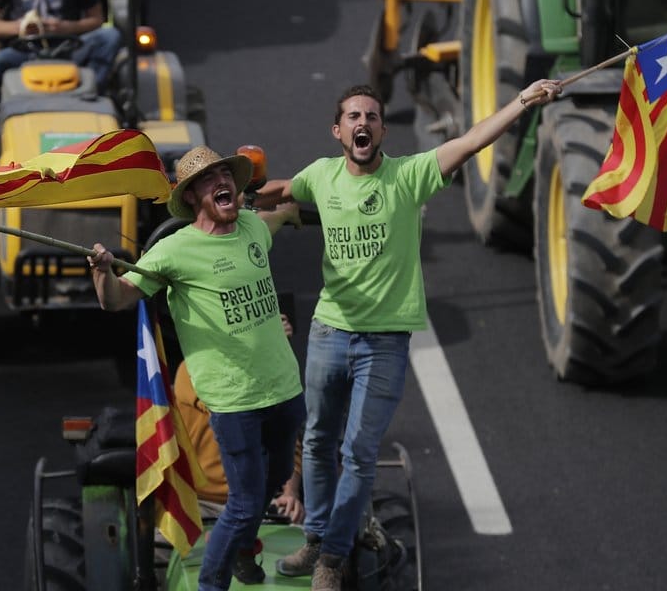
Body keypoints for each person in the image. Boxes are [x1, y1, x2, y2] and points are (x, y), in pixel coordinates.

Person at [255, 78, 562, 590]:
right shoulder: (321, 177)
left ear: (382, 129)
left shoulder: (409, 176)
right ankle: (316, 535)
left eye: (372, 117)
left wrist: (522, 101)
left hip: (385, 343)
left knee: (357, 452)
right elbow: (282, 190)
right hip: (330, 333)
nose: (362, 124)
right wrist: (222, 196)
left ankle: (331, 557)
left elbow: (469, 142)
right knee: (316, 441)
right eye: (353, 117)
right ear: (338, 130)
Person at [89, 145, 305, 591]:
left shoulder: (252, 227)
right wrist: (102, 272)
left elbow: (281, 213)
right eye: (209, 179)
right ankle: (212, 584)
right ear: (191, 197)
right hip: (234, 401)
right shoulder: (173, 252)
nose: (222, 181)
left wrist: (303, 207)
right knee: (245, 506)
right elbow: (116, 300)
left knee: (278, 477)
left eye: (226, 173)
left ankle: (244, 549)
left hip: (284, 390)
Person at [169, 314, 305, 584]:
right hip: (201, 506)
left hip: (261, 506)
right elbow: (239, 417)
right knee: (157, 558)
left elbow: (288, 440)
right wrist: (270, 348)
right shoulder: (192, 371)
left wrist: (290, 493)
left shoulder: (268, 381)